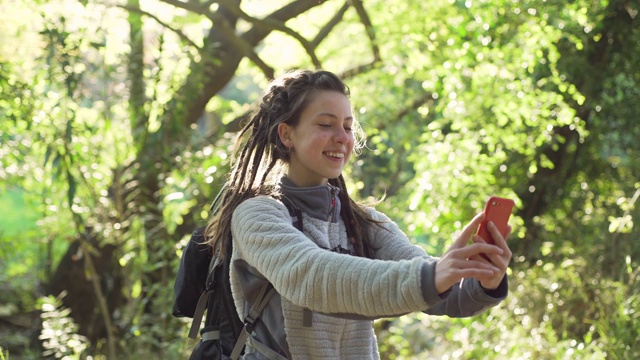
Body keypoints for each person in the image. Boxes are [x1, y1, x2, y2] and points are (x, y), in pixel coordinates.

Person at [205, 69, 512, 359]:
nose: (343, 137)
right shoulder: (256, 215)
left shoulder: (363, 222)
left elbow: (438, 288)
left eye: (348, 126)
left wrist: (482, 281)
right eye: (326, 125)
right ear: (287, 134)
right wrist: (433, 276)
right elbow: (312, 276)